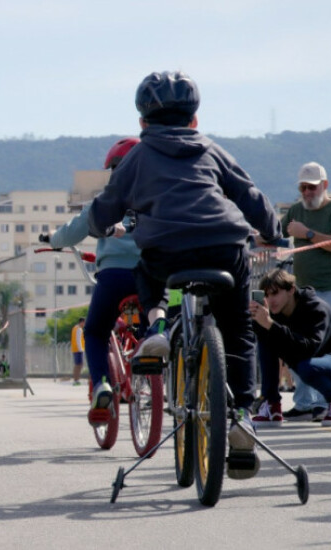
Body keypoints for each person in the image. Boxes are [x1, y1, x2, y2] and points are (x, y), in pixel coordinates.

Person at [88, 71, 282, 478]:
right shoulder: (211, 149)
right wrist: (272, 232)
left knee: (146, 273)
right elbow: (249, 194)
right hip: (225, 246)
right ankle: (243, 414)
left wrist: (100, 225)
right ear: (195, 120)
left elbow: (107, 206)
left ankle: (156, 328)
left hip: (167, 250)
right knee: (239, 328)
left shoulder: (138, 156)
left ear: (142, 123)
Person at [43, 136, 142, 424]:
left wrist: (53, 239)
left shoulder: (106, 200)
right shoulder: (158, 198)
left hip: (113, 277)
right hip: (149, 275)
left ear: (113, 170)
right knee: (152, 329)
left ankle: (101, 384)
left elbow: (73, 231)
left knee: (95, 332)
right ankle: (151, 369)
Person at [278, 161, 331, 422]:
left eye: (312, 187)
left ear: (325, 185)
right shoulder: (296, 209)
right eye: (303, 188)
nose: (307, 192)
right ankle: (304, 402)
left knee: (327, 347)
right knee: (298, 346)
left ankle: (327, 400)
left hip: (330, 287)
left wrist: (306, 233)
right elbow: (278, 234)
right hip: (301, 291)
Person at [250, 269, 331, 428]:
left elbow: (309, 349)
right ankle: (272, 405)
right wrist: (259, 321)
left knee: (305, 366)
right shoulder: (275, 312)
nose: (270, 299)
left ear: (291, 290)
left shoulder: (315, 307)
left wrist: (270, 325)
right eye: (266, 295)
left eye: (275, 293)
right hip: (316, 364)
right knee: (265, 340)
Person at [70, 317, 86, 386]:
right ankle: (76, 380)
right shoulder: (79, 329)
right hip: (79, 349)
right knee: (79, 365)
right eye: (84, 323)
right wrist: (81, 349)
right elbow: (78, 340)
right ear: (82, 322)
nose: (84, 325)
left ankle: (76, 379)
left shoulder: (74, 328)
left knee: (77, 365)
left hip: (75, 349)